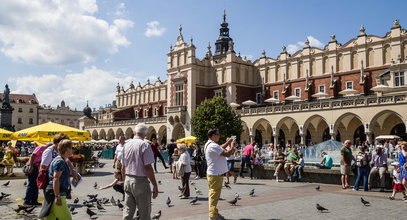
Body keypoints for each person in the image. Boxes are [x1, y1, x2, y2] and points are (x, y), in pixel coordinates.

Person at [121, 123, 158, 220]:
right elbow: (148, 167)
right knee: (144, 212)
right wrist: (155, 185)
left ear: (134, 132)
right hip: (140, 181)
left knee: (127, 211)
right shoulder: (144, 145)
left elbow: (123, 167)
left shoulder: (126, 145)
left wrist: (125, 180)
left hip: (128, 179)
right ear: (145, 134)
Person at [205, 129, 236, 220]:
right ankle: (213, 215)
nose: (219, 136)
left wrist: (228, 142)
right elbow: (226, 154)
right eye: (218, 134)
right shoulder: (213, 146)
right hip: (216, 174)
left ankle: (214, 213)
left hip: (213, 173)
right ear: (213, 135)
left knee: (213, 194)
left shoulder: (209, 144)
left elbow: (220, 147)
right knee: (214, 196)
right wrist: (232, 146)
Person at [38, 139, 73, 220]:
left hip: (53, 192)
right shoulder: (60, 161)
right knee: (67, 218)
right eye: (71, 147)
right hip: (57, 193)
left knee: (50, 218)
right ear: (67, 149)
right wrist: (57, 196)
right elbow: (56, 179)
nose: (72, 149)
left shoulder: (61, 159)